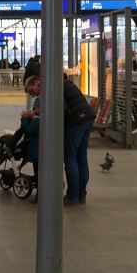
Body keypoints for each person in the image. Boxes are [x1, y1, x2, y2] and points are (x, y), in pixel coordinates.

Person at [27, 74, 95, 205]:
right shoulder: (60, 81)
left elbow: (61, 108)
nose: (33, 95)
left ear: (36, 82)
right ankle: (81, 195)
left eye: (31, 90)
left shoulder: (52, 86)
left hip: (76, 119)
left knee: (70, 157)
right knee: (81, 157)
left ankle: (73, 196)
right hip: (87, 116)